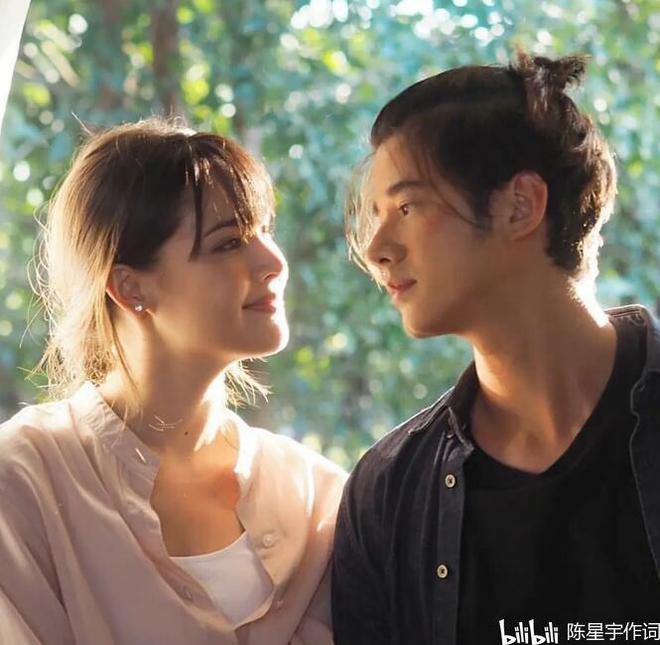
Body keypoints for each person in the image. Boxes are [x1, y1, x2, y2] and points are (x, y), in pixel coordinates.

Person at [332, 51, 660, 644]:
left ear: (520, 206)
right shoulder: (389, 492)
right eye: (375, 216)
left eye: (407, 207)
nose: (377, 248)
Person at [0, 117, 346, 645]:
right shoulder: (25, 480)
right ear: (129, 287)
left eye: (266, 231)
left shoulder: (315, 496)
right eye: (229, 243)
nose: (273, 262)